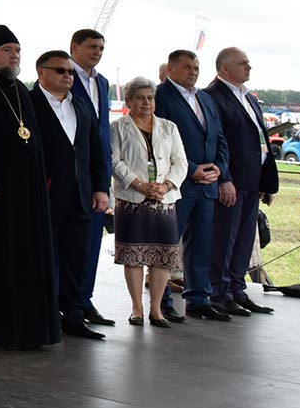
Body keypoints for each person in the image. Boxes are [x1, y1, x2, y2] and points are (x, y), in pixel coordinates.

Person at [0, 27, 61, 350]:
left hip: (29, 192)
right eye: (7, 50)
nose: (14, 55)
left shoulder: (21, 89)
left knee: (30, 257)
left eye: (17, 50)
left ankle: (32, 329)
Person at [31, 50, 112, 341]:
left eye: (70, 72)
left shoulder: (80, 103)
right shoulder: (29, 103)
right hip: (45, 196)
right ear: (41, 72)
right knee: (43, 259)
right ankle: (43, 317)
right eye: (61, 71)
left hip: (81, 196)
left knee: (76, 259)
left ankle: (74, 316)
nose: (67, 76)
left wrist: (101, 187)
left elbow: (96, 148)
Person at [154, 49, 230, 322]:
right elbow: (159, 141)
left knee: (201, 244)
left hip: (206, 183)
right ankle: (161, 302)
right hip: (176, 184)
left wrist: (220, 167)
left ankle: (199, 298)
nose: (193, 72)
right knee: (166, 243)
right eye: (187, 67)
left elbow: (219, 137)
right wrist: (191, 169)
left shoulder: (205, 99)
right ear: (171, 69)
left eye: (196, 67)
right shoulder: (160, 96)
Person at [205, 47, 279, 316]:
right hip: (231, 180)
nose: (249, 67)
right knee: (224, 238)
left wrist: (266, 182)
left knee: (244, 240)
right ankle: (219, 292)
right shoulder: (211, 96)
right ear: (224, 68)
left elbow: (261, 140)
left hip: (252, 180)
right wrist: (224, 178)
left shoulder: (248, 97)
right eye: (242, 63)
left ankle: (237, 289)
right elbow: (215, 141)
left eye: (248, 63)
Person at [109, 76, 184, 326]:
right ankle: (137, 309)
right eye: (140, 98)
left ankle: (157, 310)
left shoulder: (169, 127)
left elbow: (180, 162)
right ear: (128, 101)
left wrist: (166, 185)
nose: (146, 103)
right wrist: (140, 185)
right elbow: (114, 161)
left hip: (164, 199)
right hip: (132, 199)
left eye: (150, 98)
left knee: (162, 256)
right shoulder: (117, 127)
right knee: (133, 255)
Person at [69, 29, 117, 326]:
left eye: (101, 48)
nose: (97, 52)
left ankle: (84, 300)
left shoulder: (102, 82)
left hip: (98, 172)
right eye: (91, 47)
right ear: (74, 47)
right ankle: (64, 303)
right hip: (72, 172)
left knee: (92, 243)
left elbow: (102, 130)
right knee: (69, 244)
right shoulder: (62, 76)